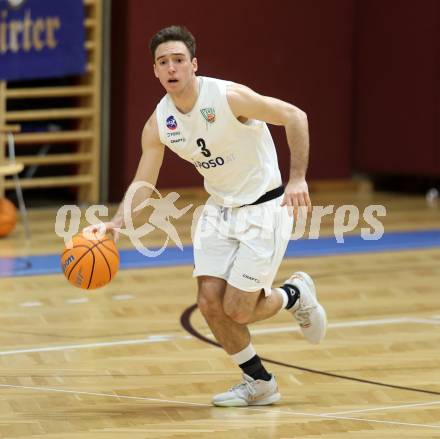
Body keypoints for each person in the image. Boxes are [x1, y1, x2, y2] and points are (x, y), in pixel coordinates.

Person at [96, 25, 327, 407]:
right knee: (208, 302)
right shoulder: (159, 123)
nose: (171, 68)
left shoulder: (228, 97)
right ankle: (260, 382)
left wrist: (298, 178)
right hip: (220, 210)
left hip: (265, 207)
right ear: (154, 70)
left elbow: (295, 116)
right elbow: (144, 178)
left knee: (238, 309)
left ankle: (295, 294)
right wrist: (117, 223)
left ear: (194, 65)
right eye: (162, 62)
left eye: (178, 60)